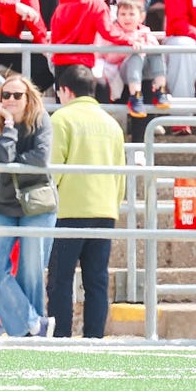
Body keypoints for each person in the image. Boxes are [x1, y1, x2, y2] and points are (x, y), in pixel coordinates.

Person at [46, 63, 127, 338]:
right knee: (97, 280)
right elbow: (121, 173)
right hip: (104, 209)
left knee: (60, 279)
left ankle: (61, 337)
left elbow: (52, 169)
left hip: (69, 209)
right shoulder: (111, 123)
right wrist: (113, 204)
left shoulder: (61, 119)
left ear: (66, 91)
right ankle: (95, 337)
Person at [0, 73, 55, 338]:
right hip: (4, 204)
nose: (11, 99)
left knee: (31, 270)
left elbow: (40, 158)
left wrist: (8, 157)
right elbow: (0, 154)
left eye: (17, 95)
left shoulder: (41, 119)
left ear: (28, 97)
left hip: (37, 202)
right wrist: (9, 126)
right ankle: (33, 323)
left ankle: (26, 334)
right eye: (5, 95)